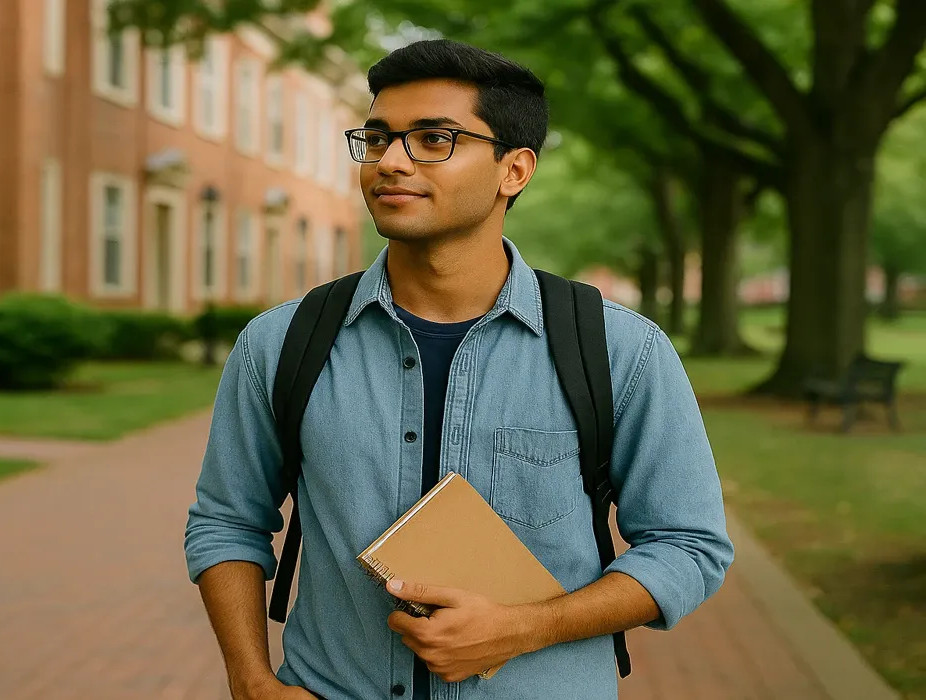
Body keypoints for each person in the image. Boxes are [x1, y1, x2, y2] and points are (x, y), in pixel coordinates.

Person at [183, 38, 734, 700]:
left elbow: (688, 546)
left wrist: (524, 628)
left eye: (433, 139)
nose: (390, 162)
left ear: (514, 170)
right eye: (378, 138)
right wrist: (250, 680)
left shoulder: (621, 350)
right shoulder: (281, 343)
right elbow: (227, 521)